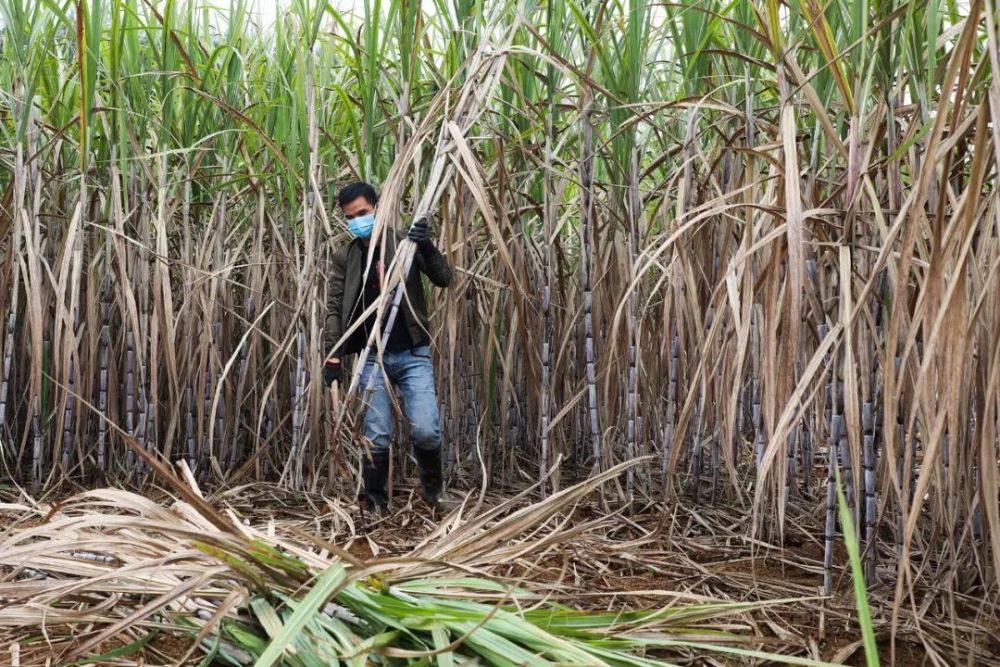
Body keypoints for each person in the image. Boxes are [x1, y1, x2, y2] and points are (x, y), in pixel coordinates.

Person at [322, 181, 452, 514]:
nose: (358, 221)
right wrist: (333, 355)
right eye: (351, 217)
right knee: (376, 436)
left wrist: (426, 246)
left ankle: (434, 493)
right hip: (370, 357)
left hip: (412, 354)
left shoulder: (405, 244)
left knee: (426, 430)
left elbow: (443, 278)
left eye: (363, 213)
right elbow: (334, 307)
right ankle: (376, 501)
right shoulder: (346, 257)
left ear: (379, 207)